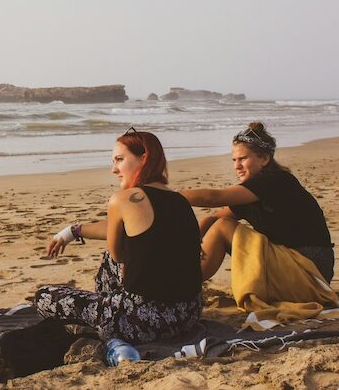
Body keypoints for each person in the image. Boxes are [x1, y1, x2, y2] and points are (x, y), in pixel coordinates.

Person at [36, 128, 202, 344]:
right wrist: (73, 231)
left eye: (119, 160)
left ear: (144, 159)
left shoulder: (122, 199)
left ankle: (107, 313)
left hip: (144, 323)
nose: (114, 169)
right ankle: (108, 306)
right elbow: (141, 231)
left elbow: (117, 255)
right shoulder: (180, 200)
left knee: (44, 296)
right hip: (188, 314)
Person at [181, 122, 334, 283]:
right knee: (219, 223)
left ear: (265, 159)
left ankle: (184, 288)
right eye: (234, 160)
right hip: (290, 265)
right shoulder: (251, 192)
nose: (237, 166)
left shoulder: (276, 181)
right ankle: (185, 281)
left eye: (243, 159)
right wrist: (191, 244)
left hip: (310, 268)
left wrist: (168, 196)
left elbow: (214, 198)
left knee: (223, 227)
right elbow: (213, 218)